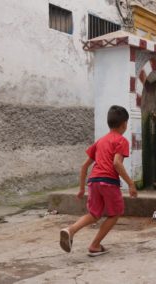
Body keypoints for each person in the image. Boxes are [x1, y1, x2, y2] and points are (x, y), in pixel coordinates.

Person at [60, 105, 138, 256]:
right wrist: (131, 183)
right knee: (115, 213)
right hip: (108, 181)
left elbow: (84, 166)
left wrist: (82, 188)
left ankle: (70, 230)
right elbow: (116, 163)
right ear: (124, 124)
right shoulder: (121, 141)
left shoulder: (100, 141)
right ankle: (95, 245)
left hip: (94, 181)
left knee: (94, 214)